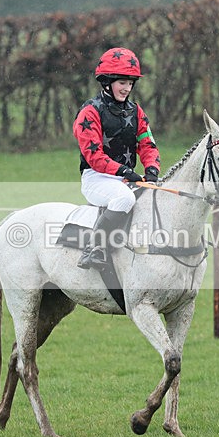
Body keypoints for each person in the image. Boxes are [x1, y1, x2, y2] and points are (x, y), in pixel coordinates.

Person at [73, 47, 161, 270]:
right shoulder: (90, 111)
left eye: (131, 83)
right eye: (122, 82)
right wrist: (125, 172)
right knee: (125, 199)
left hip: (125, 178)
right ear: (107, 82)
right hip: (97, 178)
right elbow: (94, 156)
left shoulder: (136, 111)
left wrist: (152, 170)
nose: (127, 88)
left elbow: (147, 144)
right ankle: (94, 248)